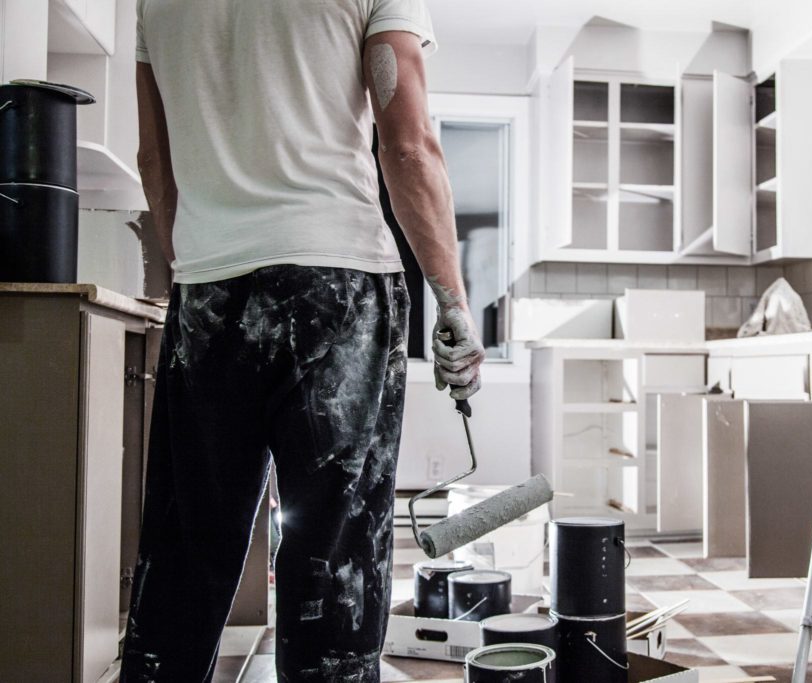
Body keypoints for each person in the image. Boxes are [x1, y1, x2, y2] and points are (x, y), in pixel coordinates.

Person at [122, 1, 485, 680]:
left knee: (185, 558)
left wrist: (200, 269)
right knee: (332, 569)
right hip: (337, 289)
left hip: (209, 292)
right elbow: (407, 145)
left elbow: (154, 159)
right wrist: (454, 301)